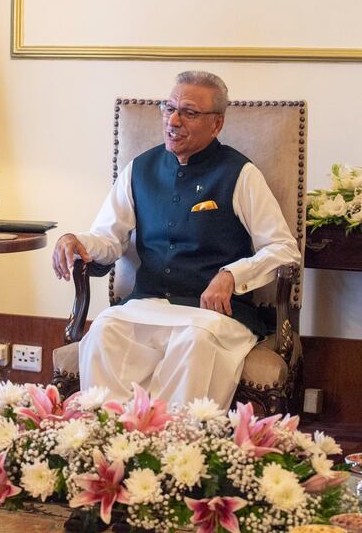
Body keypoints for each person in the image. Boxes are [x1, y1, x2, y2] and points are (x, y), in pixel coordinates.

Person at [51, 71, 300, 409]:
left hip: (212, 315)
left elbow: (284, 249)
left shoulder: (240, 174)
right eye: (168, 108)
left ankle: (179, 449)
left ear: (216, 124)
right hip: (146, 305)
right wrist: (77, 241)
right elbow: (108, 238)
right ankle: (110, 441)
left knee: (194, 341)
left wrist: (232, 275)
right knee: (103, 332)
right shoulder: (140, 169)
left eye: (189, 112)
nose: (174, 120)